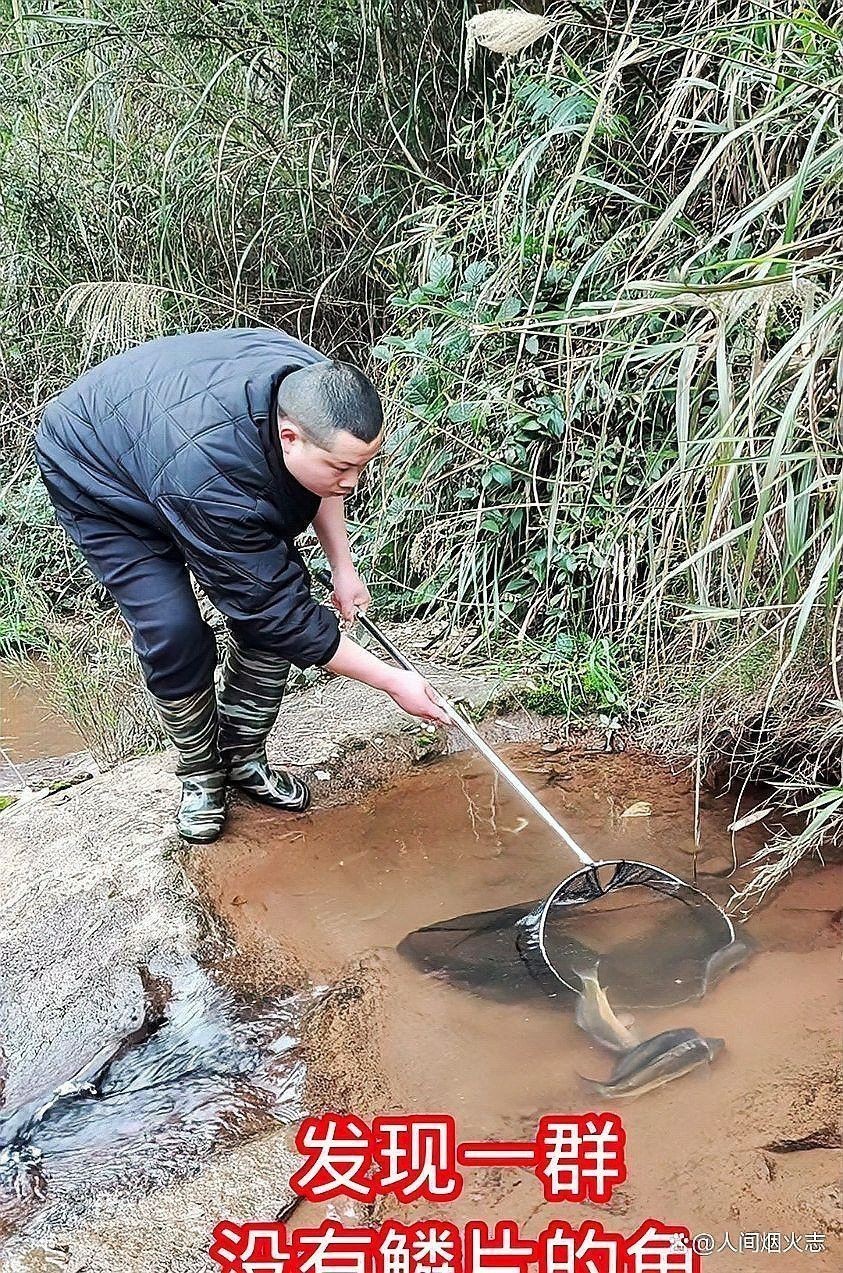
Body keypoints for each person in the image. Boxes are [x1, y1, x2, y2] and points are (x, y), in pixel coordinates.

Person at [35, 326, 448, 844]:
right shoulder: (215, 474)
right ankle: (201, 775)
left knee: (269, 602)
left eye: (363, 466)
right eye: (344, 468)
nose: (354, 482)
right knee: (174, 630)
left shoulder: (314, 386)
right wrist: (393, 681)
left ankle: (242, 755)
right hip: (99, 471)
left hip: (168, 435)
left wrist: (343, 566)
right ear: (289, 437)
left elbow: (323, 480)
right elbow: (278, 612)